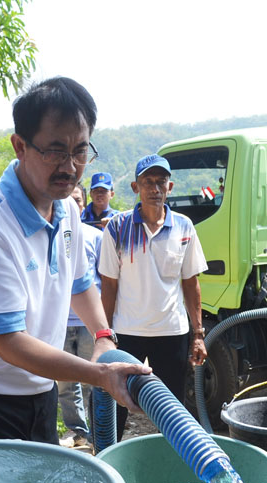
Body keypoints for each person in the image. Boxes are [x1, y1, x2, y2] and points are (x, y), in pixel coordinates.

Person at [0, 77, 149, 443]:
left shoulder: (65, 209)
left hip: (38, 391)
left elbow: (80, 285)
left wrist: (103, 337)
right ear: (20, 146)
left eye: (80, 151)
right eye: (55, 151)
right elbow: (9, 342)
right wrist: (99, 375)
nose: (70, 166)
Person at [99, 154, 209, 438]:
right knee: (116, 406)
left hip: (171, 332)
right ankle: (109, 461)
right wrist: (104, 335)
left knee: (171, 409)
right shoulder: (118, 227)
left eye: (161, 182)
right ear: (135, 187)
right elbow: (109, 285)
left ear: (170, 187)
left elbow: (191, 282)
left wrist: (198, 334)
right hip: (127, 331)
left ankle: (171, 463)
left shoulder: (184, 226)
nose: (155, 188)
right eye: (148, 182)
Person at [57, 190, 104, 449]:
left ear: (82, 204)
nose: (70, 204)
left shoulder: (96, 237)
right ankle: (76, 430)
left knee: (95, 380)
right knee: (65, 383)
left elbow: (104, 280)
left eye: (76, 200)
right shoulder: (52, 235)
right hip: (61, 323)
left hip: (87, 324)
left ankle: (99, 433)